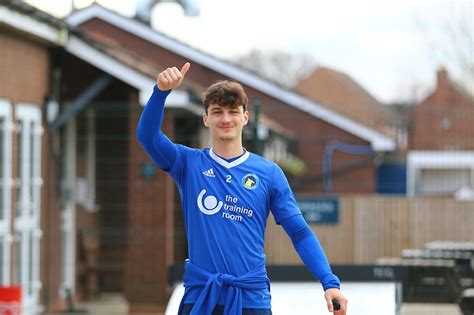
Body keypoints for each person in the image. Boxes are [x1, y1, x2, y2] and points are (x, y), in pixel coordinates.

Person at [136, 62, 348, 315]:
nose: (225, 119)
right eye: (217, 112)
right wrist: (161, 91)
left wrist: (329, 282)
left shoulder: (269, 174)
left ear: (244, 117)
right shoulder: (187, 164)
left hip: (250, 299)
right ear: (206, 118)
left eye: (232, 111)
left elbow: (299, 232)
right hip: (202, 296)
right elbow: (147, 137)